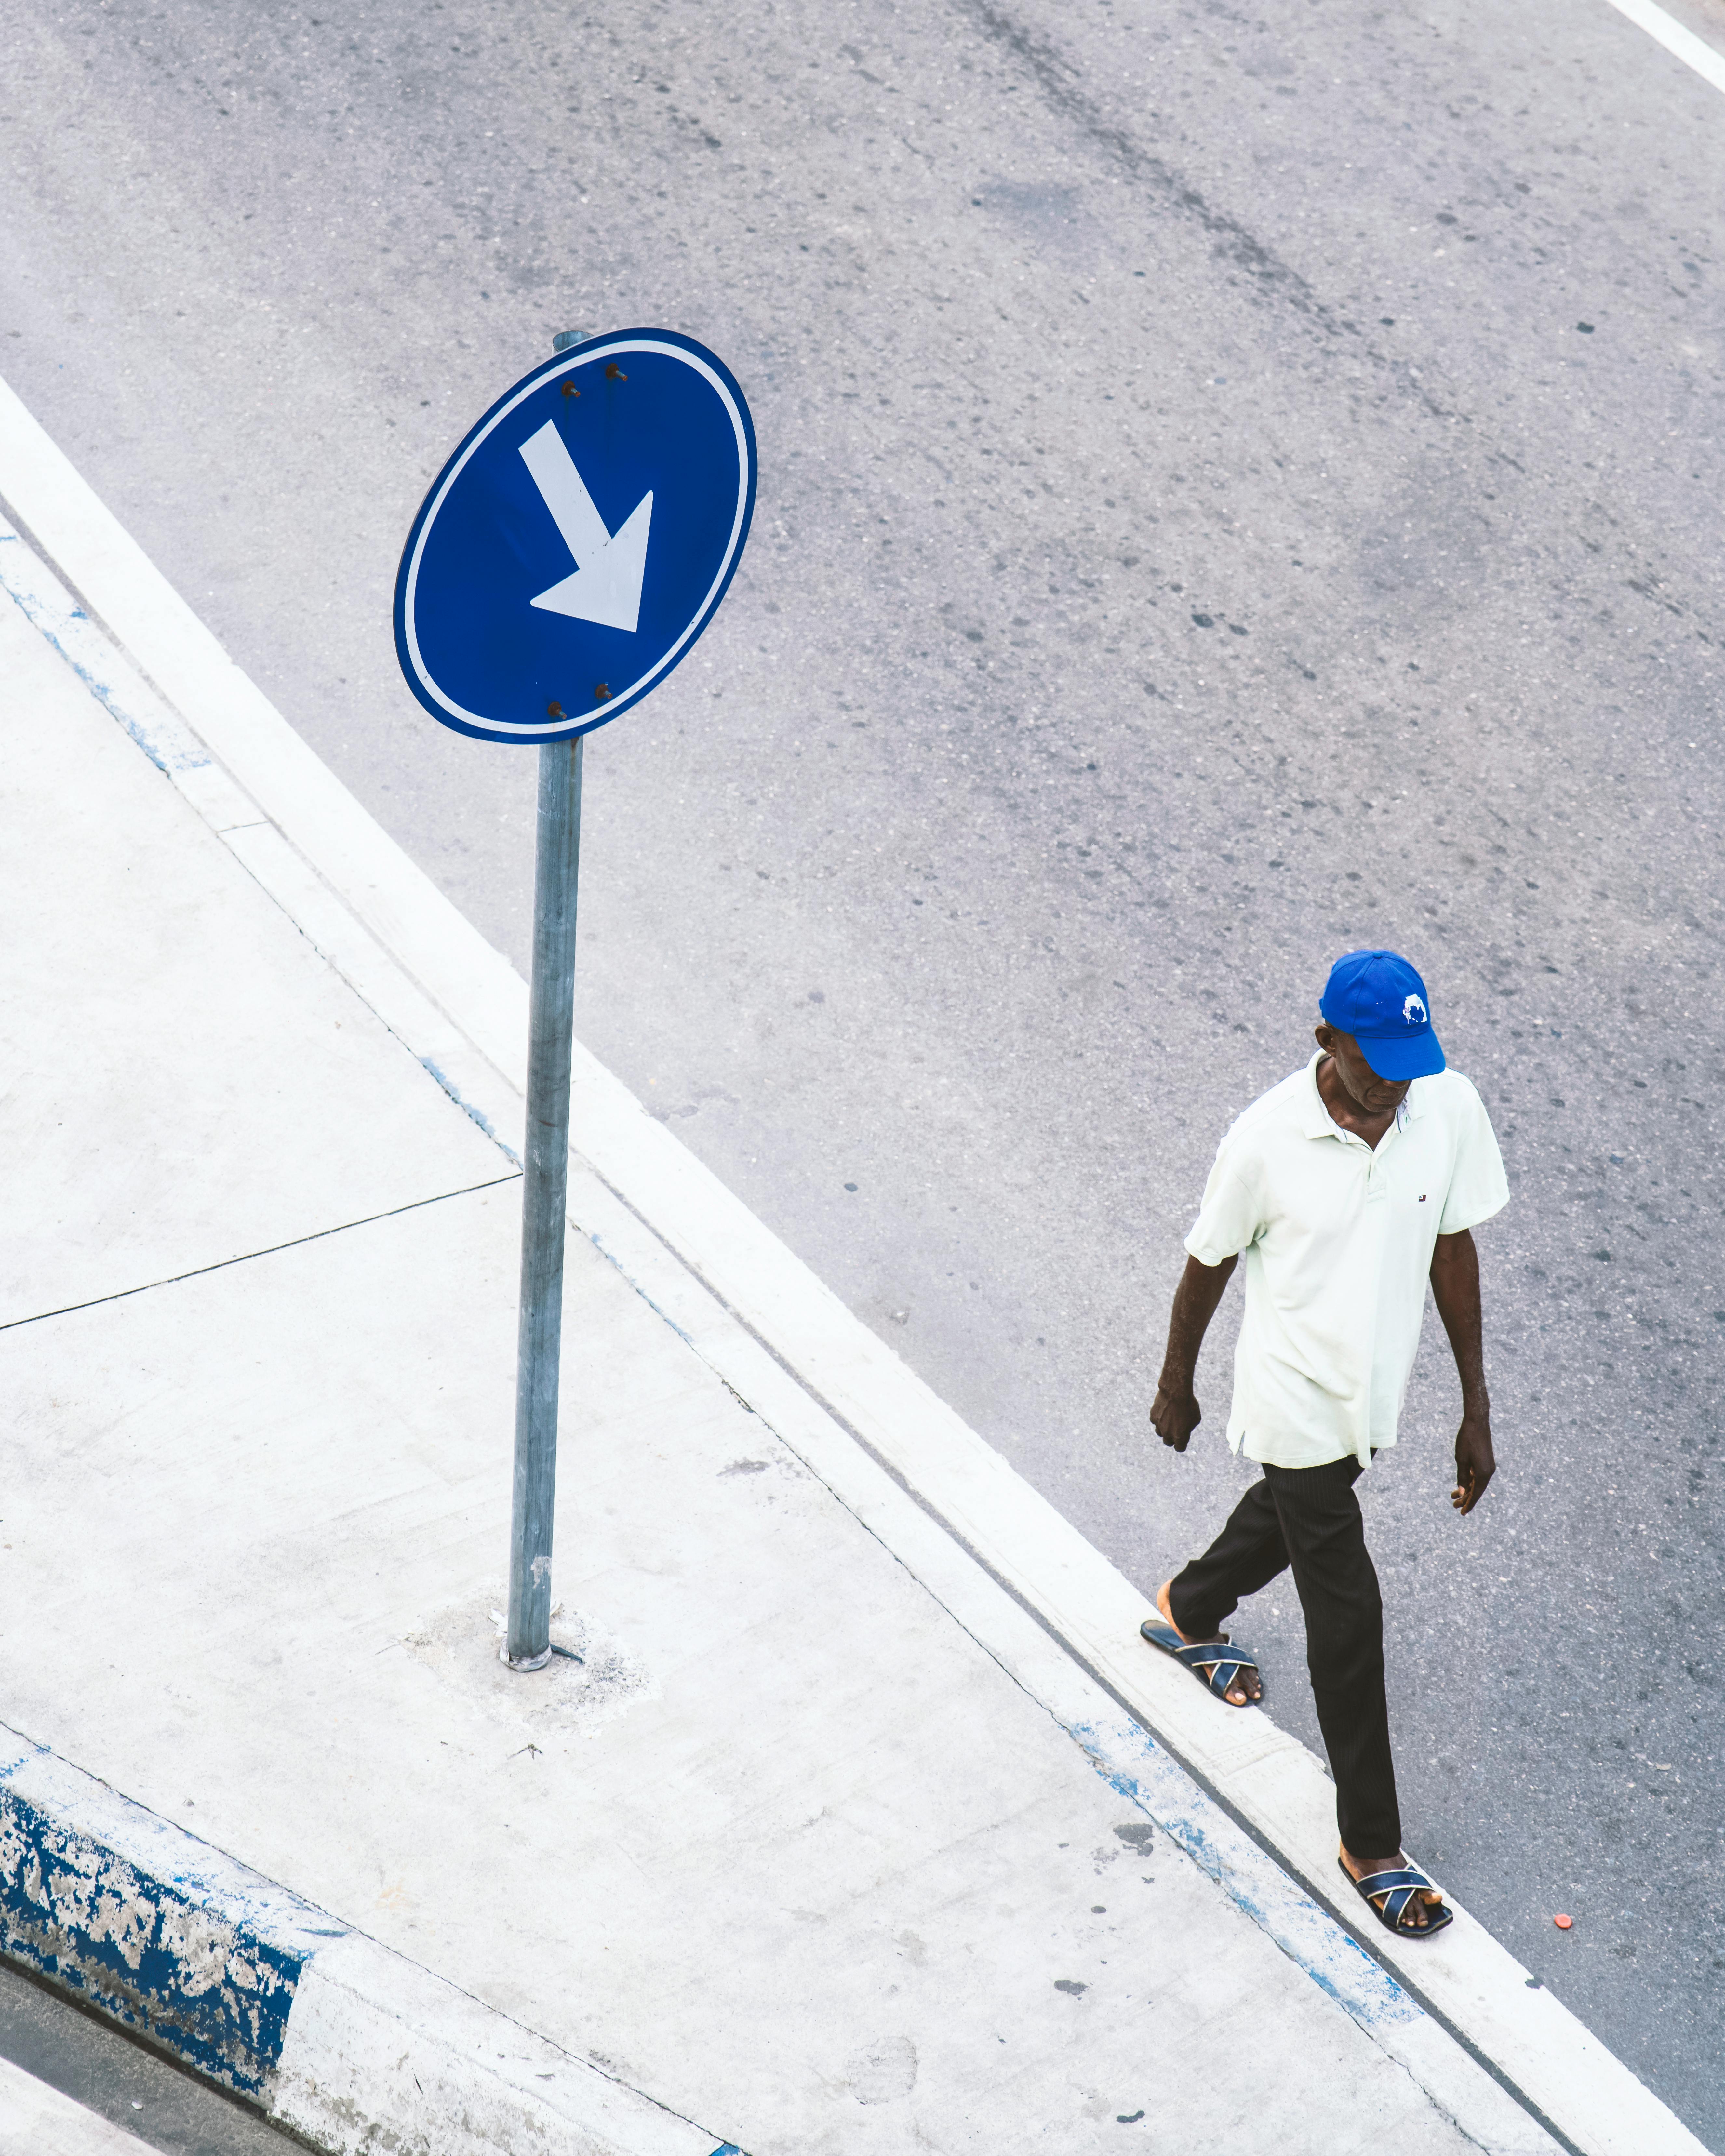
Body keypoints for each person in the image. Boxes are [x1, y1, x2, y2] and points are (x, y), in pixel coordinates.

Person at [1139, 950, 1507, 1939]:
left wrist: (1475, 1403)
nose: (1393, 1080)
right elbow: (1207, 1264)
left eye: (1409, 1058)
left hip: (1369, 1392)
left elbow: (1454, 1242)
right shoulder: (1265, 1142)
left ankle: (1190, 1608)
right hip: (1294, 1394)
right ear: (1325, 1043)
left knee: (1295, 1519)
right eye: (1373, 1059)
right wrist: (1178, 1382)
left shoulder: (1444, 1108)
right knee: (1349, 1611)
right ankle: (1371, 1842)